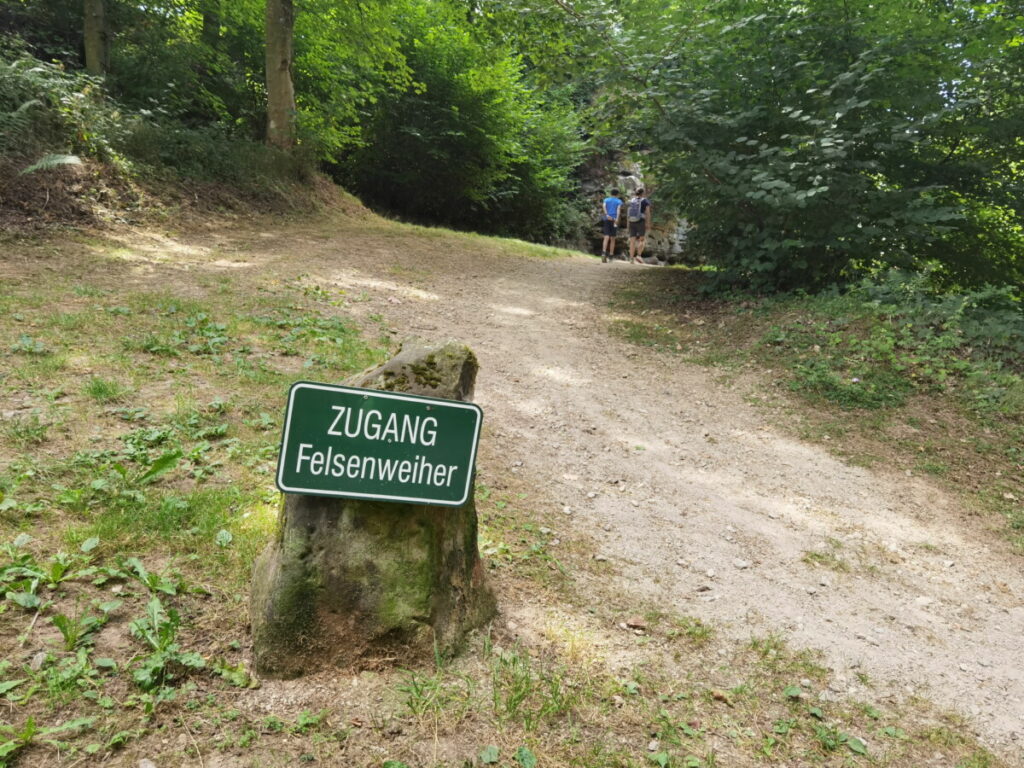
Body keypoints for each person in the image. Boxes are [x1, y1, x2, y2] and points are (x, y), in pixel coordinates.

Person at [626, 188, 651, 264]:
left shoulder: (631, 201)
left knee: (632, 241)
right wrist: (648, 223)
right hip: (641, 221)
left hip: (631, 221)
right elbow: (647, 212)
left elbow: (628, 213)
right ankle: (638, 256)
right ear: (643, 193)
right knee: (642, 239)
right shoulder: (645, 201)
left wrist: (628, 224)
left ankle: (631, 258)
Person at [601, 189, 624, 263]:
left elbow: (604, 206)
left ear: (610, 193)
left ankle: (603, 253)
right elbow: (618, 209)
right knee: (613, 238)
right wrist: (617, 218)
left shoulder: (606, 200)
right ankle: (611, 255)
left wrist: (607, 214)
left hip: (607, 219)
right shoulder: (619, 201)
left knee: (606, 236)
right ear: (617, 194)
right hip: (614, 220)